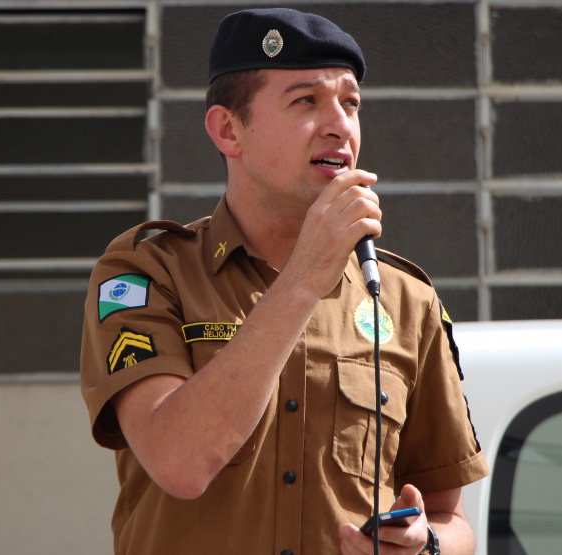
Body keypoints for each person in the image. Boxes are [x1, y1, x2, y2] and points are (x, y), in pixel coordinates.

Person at [80, 8, 489, 555]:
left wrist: (427, 543)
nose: (340, 125)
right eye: (305, 101)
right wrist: (302, 280)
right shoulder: (147, 271)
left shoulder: (404, 297)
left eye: (350, 102)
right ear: (229, 130)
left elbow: (450, 515)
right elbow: (179, 462)